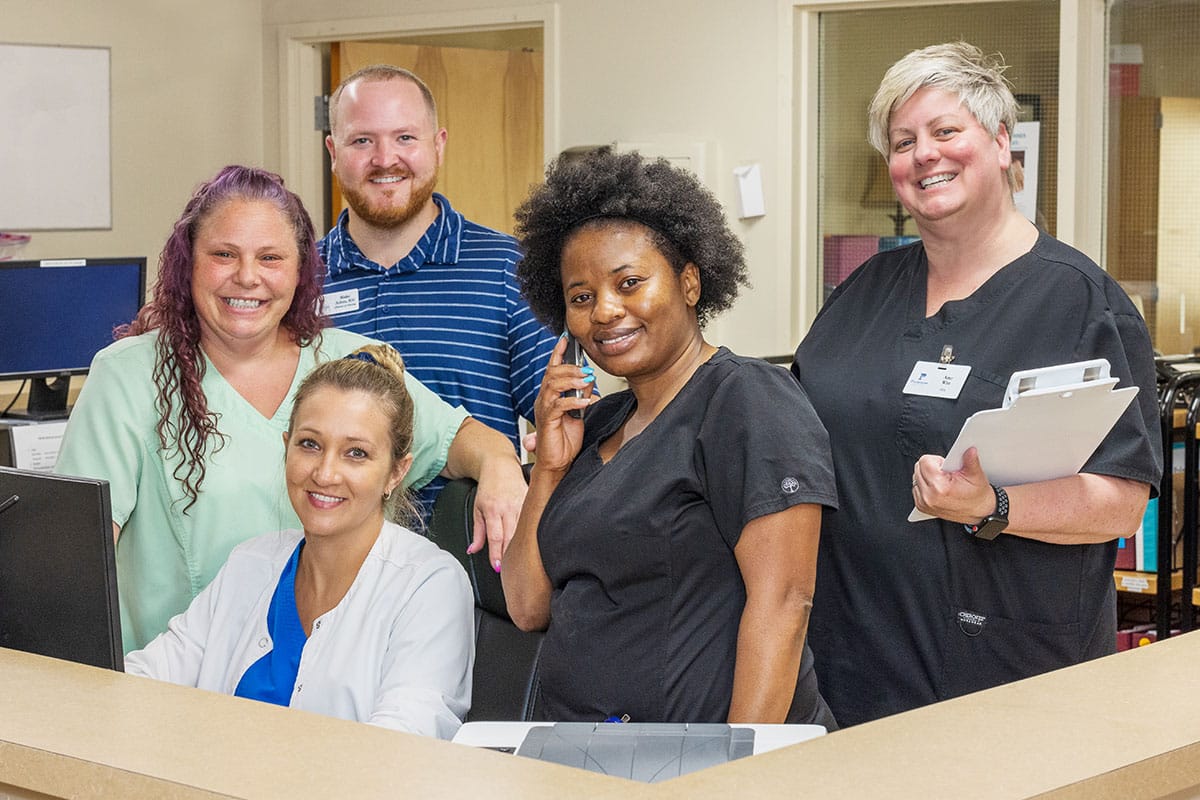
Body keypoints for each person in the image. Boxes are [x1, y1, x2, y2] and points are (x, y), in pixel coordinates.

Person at [792, 42, 1163, 727]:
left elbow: (1118, 501)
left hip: (1001, 675)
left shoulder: (1080, 304)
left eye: (945, 131)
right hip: (848, 668)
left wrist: (994, 506)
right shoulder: (862, 292)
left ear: (1000, 144)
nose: (923, 154)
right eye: (903, 142)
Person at [56, 165, 525, 653]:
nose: (247, 277)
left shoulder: (348, 365)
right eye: (223, 255)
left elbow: (458, 438)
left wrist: (500, 467)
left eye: (271, 257)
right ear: (187, 263)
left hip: (332, 671)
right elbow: (76, 566)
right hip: (179, 678)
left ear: (301, 270)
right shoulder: (129, 376)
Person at [502, 149, 839, 727]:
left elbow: (784, 603)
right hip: (582, 753)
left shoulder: (747, 401)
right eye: (581, 297)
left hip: (703, 761)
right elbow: (527, 606)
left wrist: (734, 773)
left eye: (629, 283)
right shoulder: (599, 423)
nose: (605, 311)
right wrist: (551, 471)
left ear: (689, 282)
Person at [125, 344, 474, 739]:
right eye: (310, 444)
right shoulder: (251, 563)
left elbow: (402, 741)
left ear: (396, 472)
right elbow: (145, 677)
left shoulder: (429, 585)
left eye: (355, 453)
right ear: (287, 446)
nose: (325, 473)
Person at [319, 64, 558, 515]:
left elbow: (565, 419)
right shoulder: (294, 281)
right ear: (333, 151)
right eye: (362, 140)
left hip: (473, 562)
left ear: (438, 145)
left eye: (405, 137)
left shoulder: (510, 268)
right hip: (329, 568)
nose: (385, 158)